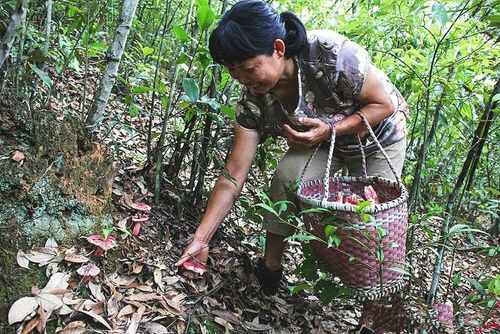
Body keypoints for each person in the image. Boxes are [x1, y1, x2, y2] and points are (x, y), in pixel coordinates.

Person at [176, 0, 407, 303]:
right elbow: (233, 174)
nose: (243, 80)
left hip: (377, 135)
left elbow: (383, 105)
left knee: (370, 222)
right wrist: (200, 239)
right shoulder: (253, 102)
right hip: (321, 142)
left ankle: (374, 302)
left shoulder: (331, 55)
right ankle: (270, 268)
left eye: (249, 68)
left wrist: (330, 129)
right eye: (234, 72)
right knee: (285, 179)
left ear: (278, 48)